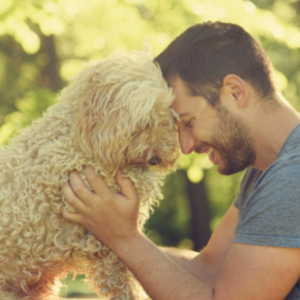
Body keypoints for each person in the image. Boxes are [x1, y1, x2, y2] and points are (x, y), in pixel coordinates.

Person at [62, 22, 300, 300]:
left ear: (235, 91)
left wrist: (125, 238)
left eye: (188, 122)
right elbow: (210, 268)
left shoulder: (291, 178)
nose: (185, 146)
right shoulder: (265, 173)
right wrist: (95, 243)